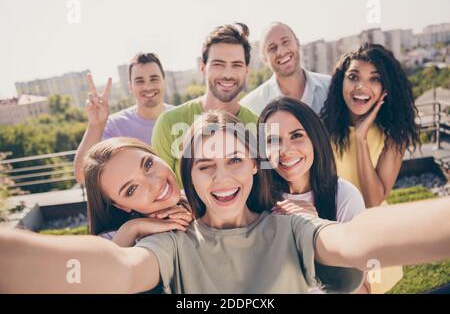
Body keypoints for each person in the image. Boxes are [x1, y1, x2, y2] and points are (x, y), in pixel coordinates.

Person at [1, 111, 449, 294]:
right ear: (189, 177)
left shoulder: (291, 224)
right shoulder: (169, 243)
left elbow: (353, 240)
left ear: (255, 165)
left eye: (234, 159)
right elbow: (117, 269)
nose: (221, 177)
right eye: (203, 166)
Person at [320, 43, 421, 293]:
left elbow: (374, 201)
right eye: (353, 77)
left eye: (373, 79)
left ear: (385, 89)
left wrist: (360, 139)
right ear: (340, 83)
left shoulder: (394, 136)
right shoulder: (323, 129)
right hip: (334, 234)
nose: (361, 87)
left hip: (374, 236)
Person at [259, 97, 368, 293]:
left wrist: (316, 231)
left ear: (315, 138)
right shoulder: (257, 198)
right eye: (273, 140)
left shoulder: (345, 196)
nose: (285, 150)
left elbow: (364, 287)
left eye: (296, 135)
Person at [151, 23, 259, 187]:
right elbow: (157, 187)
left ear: (246, 70)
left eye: (236, 65)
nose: (227, 74)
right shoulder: (168, 123)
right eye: (218, 64)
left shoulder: (259, 127)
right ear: (203, 67)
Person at [74, 53, 173, 184]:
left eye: (154, 79)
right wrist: (95, 125)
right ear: (130, 87)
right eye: (139, 81)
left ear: (164, 82)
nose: (148, 87)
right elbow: (82, 176)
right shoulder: (114, 125)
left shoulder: (180, 118)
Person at [83, 137, 192, 248]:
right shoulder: (110, 242)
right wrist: (132, 229)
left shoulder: (202, 197)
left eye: (148, 165)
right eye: (132, 189)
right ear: (120, 205)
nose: (156, 184)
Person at [241, 22, 330, 115]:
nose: (281, 52)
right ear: (264, 59)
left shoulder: (331, 88)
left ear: (297, 42)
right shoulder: (251, 107)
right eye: (272, 48)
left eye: (286, 42)